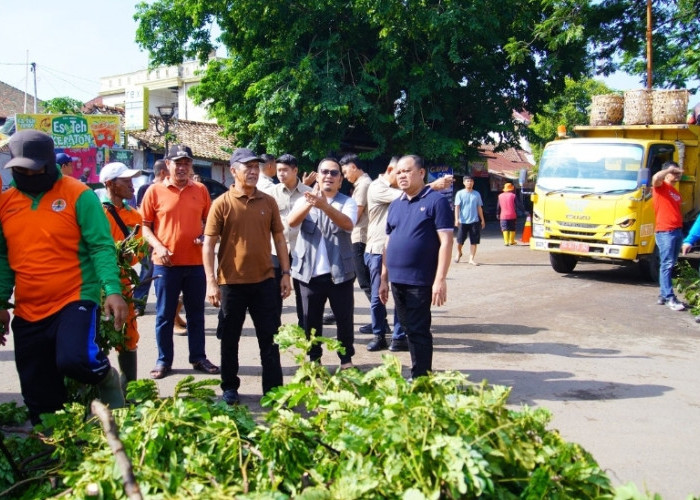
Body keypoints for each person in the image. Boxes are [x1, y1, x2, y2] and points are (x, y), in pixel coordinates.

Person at [0, 130, 127, 424]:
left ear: (48, 163)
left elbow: (101, 246)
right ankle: (54, 450)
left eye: (33, 169)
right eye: (19, 169)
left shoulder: (77, 195)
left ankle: (106, 377)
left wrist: (112, 289)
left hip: (74, 297)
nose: (26, 174)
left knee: (75, 360)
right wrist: (1, 302)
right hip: (28, 307)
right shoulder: (6, 203)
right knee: (37, 389)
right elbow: (4, 257)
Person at [203, 148, 290, 405]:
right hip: (231, 283)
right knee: (229, 339)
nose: (253, 171)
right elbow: (208, 245)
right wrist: (211, 281)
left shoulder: (268, 201)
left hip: (265, 281)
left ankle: (274, 391)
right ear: (233, 171)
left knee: (270, 339)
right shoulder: (221, 204)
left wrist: (285, 274)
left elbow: (279, 239)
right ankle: (230, 386)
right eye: (247, 167)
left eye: (256, 167)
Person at [140, 144, 219, 379]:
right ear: (168, 165)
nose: (182, 167)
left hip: (195, 263)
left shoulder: (201, 190)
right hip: (166, 265)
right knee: (164, 315)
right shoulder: (154, 192)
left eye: (186, 163)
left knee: (196, 314)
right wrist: (159, 246)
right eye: (178, 163)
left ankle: (198, 357)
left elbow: (210, 223)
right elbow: (144, 227)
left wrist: (205, 236)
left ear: (191, 165)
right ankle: (164, 360)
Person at [365, 157, 455, 352]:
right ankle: (417, 374)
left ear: (421, 173)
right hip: (397, 281)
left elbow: (446, 242)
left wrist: (440, 279)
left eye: (407, 171)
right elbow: (388, 243)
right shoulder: (396, 204)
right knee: (408, 330)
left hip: (420, 281)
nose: (402, 176)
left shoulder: (436, 201)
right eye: (398, 173)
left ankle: (421, 376)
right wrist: (383, 278)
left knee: (419, 331)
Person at [288, 158, 357, 369]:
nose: (329, 176)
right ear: (317, 176)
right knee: (310, 320)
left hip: (340, 272)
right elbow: (291, 222)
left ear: (340, 179)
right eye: (324, 172)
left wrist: (325, 206)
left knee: (344, 320)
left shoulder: (348, 202)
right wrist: (311, 203)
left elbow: (348, 224)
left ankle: (346, 360)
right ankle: (314, 360)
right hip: (308, 274)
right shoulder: (303, 199)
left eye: (334, 173)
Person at [99, 162, 143, 389]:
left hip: (124, 284)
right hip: (96, 286)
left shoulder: (134, 216)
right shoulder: (96, 213)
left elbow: (138, 253)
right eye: (125, 182)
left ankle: (129, 390)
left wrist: (130, 255)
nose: (132, 186)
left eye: (131, 181)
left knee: (127, 335)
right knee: (95, 337)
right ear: (110, 184)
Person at [269, 154, 312, 324]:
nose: (281, 174)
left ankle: (305, 327)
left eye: (285, 170)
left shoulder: (308, 194)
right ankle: (274, 330)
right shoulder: (270, 193)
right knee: (274, 292)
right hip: (275, 248)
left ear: (295, 170)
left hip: (302, 248)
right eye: (279, 170)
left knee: (304, 292)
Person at [339, 154, 373, 334]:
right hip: (359, 237)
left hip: (360, 237)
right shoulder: (363, 183)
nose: (345, 177)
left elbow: (355, 216)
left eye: (345, 172)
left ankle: (380, 321)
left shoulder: (363, 185)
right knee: (348, 277)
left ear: (353, 166)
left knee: (365, 282)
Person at [133, 159, 168, 316]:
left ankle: (165, 305)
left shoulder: (167, 189)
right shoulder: (146, 189)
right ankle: (139, 303)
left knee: (161, 275)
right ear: (162, 172)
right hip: (149, 238)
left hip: (165, 240)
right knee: (147, 273)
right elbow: (142, 216)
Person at [652, 161, 685, 311]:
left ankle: (663, 295)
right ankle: (669, 297)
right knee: (667, 264)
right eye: (675, 172)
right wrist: (669, 170)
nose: (678, 175)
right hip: (665, 231)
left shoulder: (675, 191)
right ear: (667, 172)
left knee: (671, 264)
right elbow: (655, 178)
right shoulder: (660, 187)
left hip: (676, 231)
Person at [454, 175, 486, 264]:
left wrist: (482, 219)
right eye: (467, 181)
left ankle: (471, 259)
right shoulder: (460, 193)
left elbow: (479, 207)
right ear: (464, 183)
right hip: (463, 221)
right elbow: (457, 207)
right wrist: (456, 219)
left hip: (474, 221)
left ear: (473, 183)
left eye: (471, 181)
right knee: (459, 241)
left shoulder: (477, 194)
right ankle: (459, 252)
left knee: (474, 241)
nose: (469, 182)